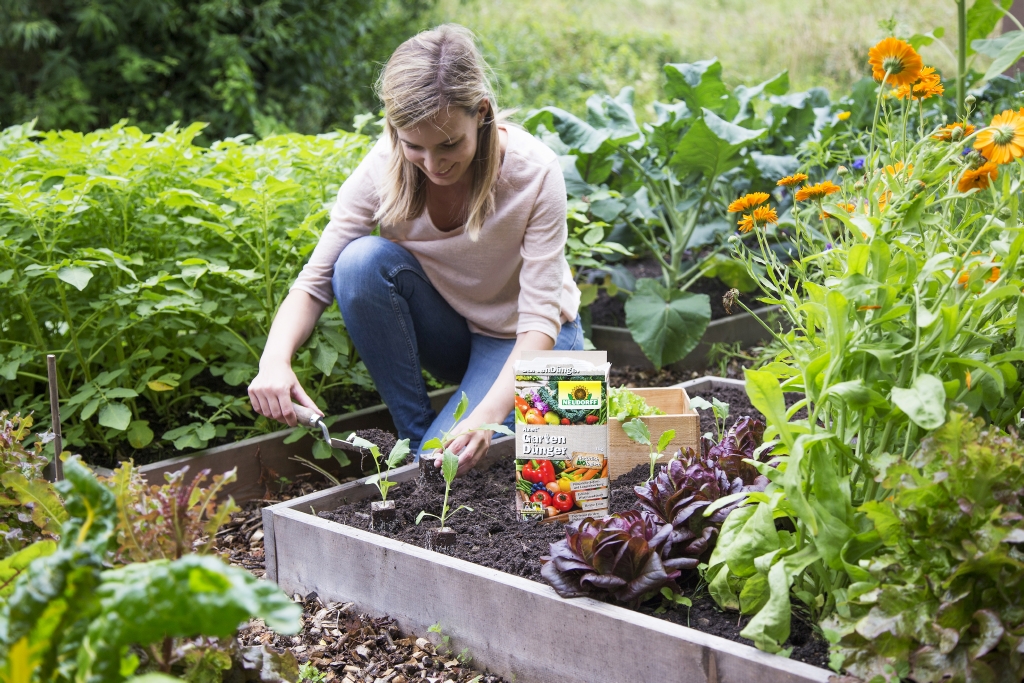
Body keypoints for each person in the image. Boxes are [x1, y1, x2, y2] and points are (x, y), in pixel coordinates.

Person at [247, 24, 582, 476]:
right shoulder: (382, 169)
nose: (434, 164)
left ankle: (440, 444)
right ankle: (414, 436)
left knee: (448, 467)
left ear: (481, 112)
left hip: (529, 340)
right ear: (394, 129)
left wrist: (484, 419)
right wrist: (274, 360)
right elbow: (315, 283)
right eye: (414, 147)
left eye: (449, 144)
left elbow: (540, 320)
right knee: (360, 263)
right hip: (453, 332)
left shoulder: (533, 172)